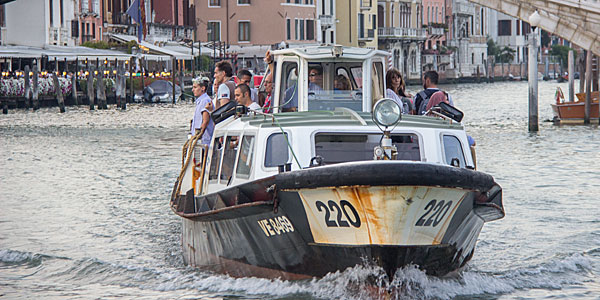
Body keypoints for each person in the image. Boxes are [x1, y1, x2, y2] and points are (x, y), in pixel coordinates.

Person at [190, 77, 215, 145]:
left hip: (204, 141)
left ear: (202, 88)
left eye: (195, 87)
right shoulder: (201, 101)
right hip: (200, 139)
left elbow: (205, 121)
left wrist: (199, 135)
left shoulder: (205, 101)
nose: (193, 90)